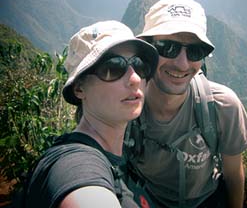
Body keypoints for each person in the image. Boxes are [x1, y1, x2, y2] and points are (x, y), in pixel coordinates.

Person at [126, 0, 247, 208]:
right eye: (168, 47)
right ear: (147, 49)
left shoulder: (223, 107)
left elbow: (233, 175)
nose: (182, 64)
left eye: (195, 51)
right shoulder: (126, 104)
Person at [25, 20, 158, 208]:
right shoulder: (74, 164)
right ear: (79, 88)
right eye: (113, 68)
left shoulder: (122, 156)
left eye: (138, 65)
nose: (135, 78)